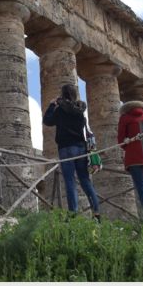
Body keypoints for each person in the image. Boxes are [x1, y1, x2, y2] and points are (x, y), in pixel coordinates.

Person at [43, 84, 101, 221]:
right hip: (81, 148)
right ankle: (97, 213)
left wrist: (52, 105)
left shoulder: (60, 110)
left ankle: (73, 214)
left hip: (66, 148)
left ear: (62, 95)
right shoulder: (80, 110)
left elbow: (47, 121)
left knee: (70, 181)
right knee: (85, 181)